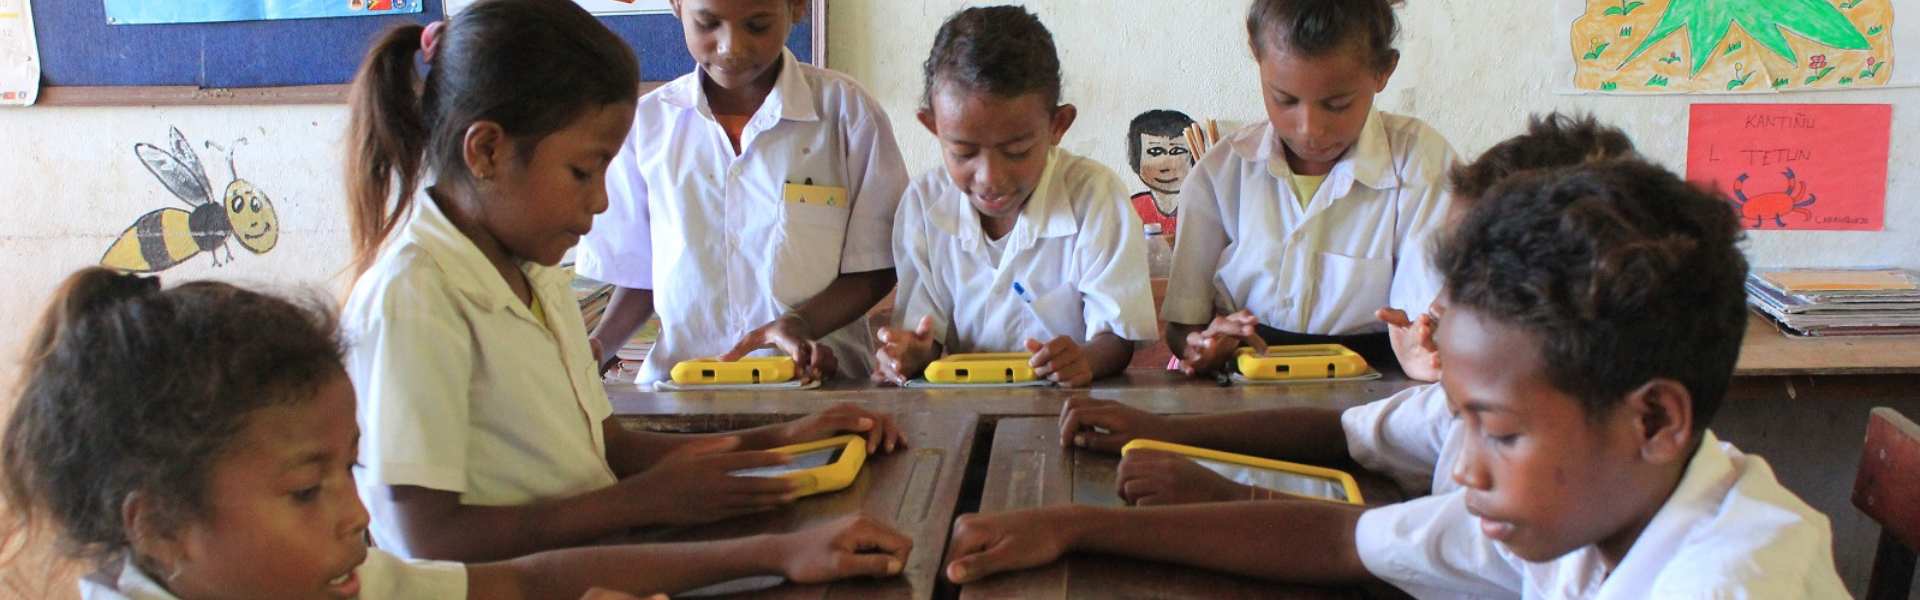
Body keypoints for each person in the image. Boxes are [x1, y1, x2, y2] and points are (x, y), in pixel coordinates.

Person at [944, 158, 1850, 598]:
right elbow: (1350, 542)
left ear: (1653, 420)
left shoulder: (1733, 582)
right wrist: (1074, 525)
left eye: (1500, 432)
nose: (1465, 465)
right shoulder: (1586, 506)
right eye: (1466, 423)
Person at [340, 0, 902, 561]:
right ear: (487, 150)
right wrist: (644, 504)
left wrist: (782, 439)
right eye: (584, 172)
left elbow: (607, 449)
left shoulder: (534, 276)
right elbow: (426, 540)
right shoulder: (410, 300)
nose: (603, 200)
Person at [1, 268, 911, 600]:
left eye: (350, 471)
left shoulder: (319, 578)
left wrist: (777, 553)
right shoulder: (414, 296)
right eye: (308, 488)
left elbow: (521, 582)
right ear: (159, 526)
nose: (358, 516)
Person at [1065, 114, 1640, 506]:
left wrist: (1225, 492)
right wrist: (1162, 430)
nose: (1310, 126)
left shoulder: (1556, 461)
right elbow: (1345, 435)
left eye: (1469, 286)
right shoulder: (1484, 413)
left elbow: (1375, 544)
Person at [577, 0, 908, 385]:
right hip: (680, 390)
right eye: (707, 23)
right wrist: (599, 346)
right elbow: (640, 276)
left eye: (757, 25)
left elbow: (876, 264)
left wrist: (801, 324)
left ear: (797, 7)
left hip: (822, 387)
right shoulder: (646, 127)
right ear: (677, 5)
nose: (730, 46)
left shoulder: (847, 113)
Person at [1161, 0, 1455, 379]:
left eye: (1338, 104)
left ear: (1383, 71)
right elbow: (1183, 326)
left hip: (1381, 386)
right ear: (1257, 56)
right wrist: (1200, 345)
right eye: (1284, 99)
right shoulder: (1220, 174)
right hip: (1245, 388)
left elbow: (1429, 325)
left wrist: (1426, 348)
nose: (1309, 129)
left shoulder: (1422, 164)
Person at [872, 5, 1157, 388]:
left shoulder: (1096, 196)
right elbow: (924, 336)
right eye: (963, 153)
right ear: (933, 127)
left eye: (1017, 151)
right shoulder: (924, 204)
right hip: (963, 407)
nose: (991, 178)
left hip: (1069, 405)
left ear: (1058, 126)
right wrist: (907, 353)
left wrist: (1083, 358)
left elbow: (1117, 338)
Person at [1125, 109, 1198, 243]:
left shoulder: (1202, 206)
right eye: (1155, 151)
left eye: (1177, 151)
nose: (1166, 165)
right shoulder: (1132, 209)